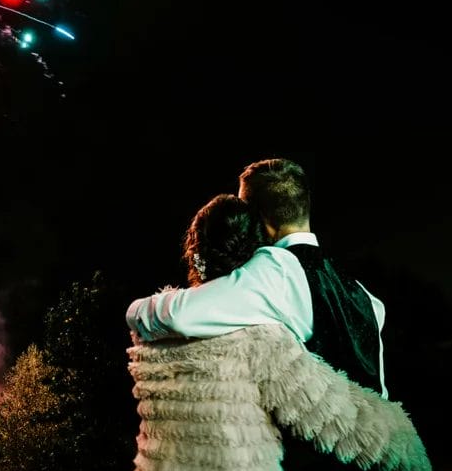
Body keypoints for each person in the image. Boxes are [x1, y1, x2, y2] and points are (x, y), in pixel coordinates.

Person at [127, 194, 431, 471]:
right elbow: (331, 416)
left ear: (196, 252)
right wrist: (407, 451)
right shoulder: (260, 339)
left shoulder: (154, 335)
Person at [126, 158, 386, 398]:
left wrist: (134, 310)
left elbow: (177, 317)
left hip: (310, 446)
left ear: (256, 217)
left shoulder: (276, 269)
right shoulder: (366, 297)